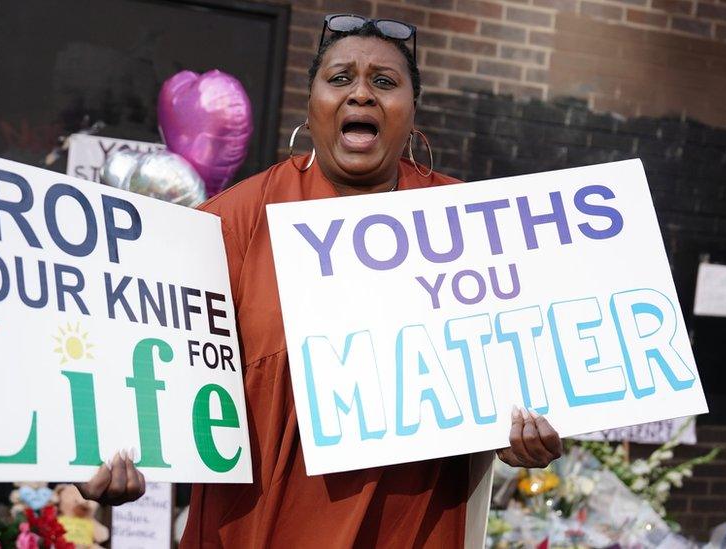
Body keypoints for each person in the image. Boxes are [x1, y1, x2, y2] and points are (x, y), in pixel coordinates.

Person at [77, 14, 563, 547]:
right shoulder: (235, 221)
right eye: (339, 79)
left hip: (410, 532)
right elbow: (141, 360)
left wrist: (520, 430)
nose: (361, 95)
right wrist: (103, 452)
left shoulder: (468, 223)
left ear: (412, 112)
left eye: (384, 81)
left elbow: (506, 378)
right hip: (254, 531)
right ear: (311, 108)